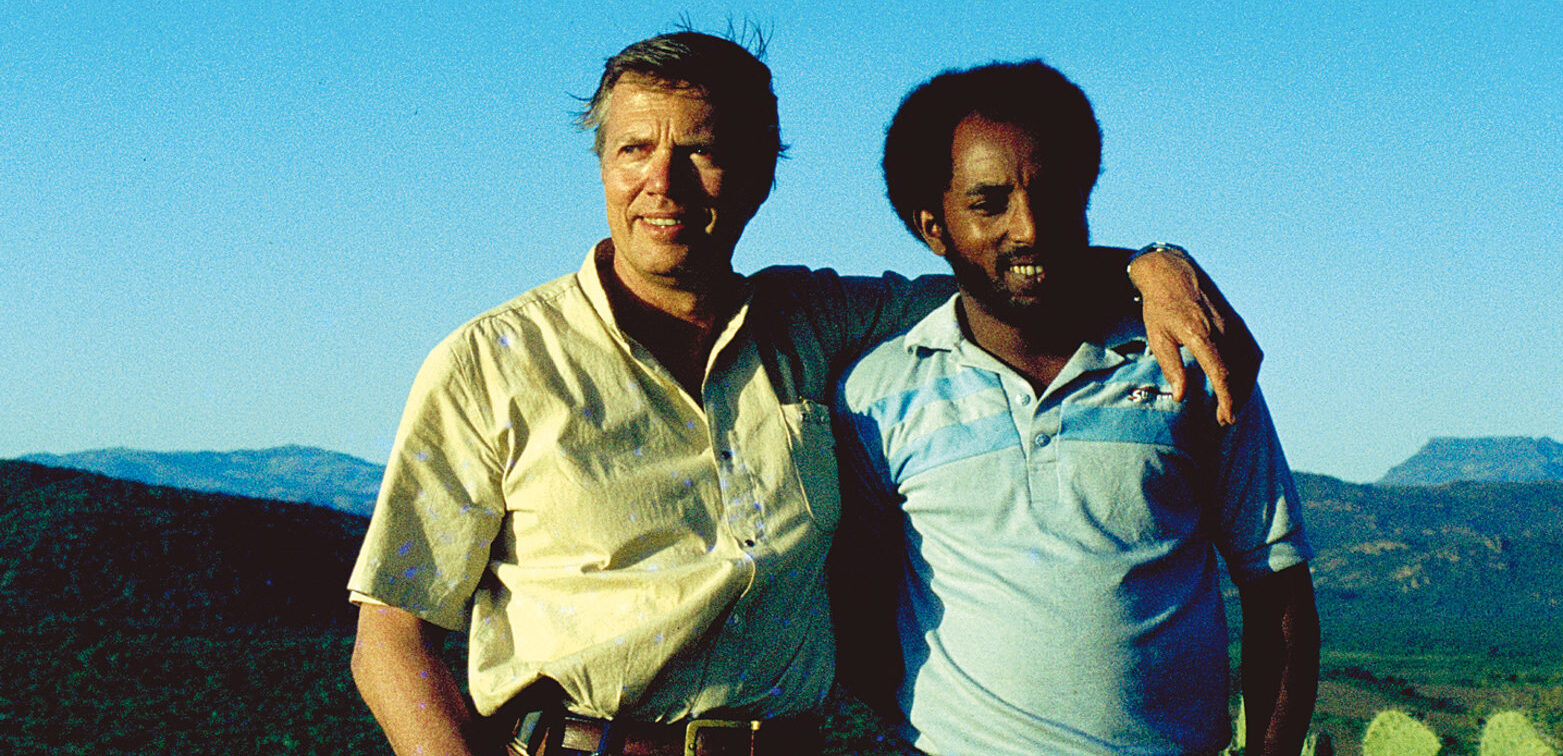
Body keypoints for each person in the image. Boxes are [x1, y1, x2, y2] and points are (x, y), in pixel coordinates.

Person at [347, 31, 1262, 756]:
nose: (660, 183)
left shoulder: (817, 321)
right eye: (633, 149)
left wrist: (1151, 265)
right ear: (601, 165)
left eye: (700, 151)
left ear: (759, 175)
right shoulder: (492, 364)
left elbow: (1001, 273)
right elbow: (390, 639)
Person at [833, 60, 1319, 756]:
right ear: (932, 226)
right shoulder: (878, 398)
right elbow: (861, 611)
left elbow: (1277, 593)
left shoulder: (1188, 362)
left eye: (1054, 192)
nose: (1029, 227)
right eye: (989, 203)